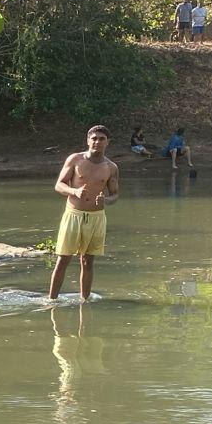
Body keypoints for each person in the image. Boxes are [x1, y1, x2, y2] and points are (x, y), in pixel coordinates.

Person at [49, 125, 119, 302]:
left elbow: (115, 195)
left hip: (97, 217)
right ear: (88, 140)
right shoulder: (75, 159)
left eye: (101, 139)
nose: (97, 142)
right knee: (63, 260)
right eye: (94, 138)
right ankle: (51, 301)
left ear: (107, 142)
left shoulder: (111, 167)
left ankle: (84, 302)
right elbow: (59, 185)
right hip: (74, 214)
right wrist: (74, 192)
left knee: (87, 261)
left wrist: (106, 201)